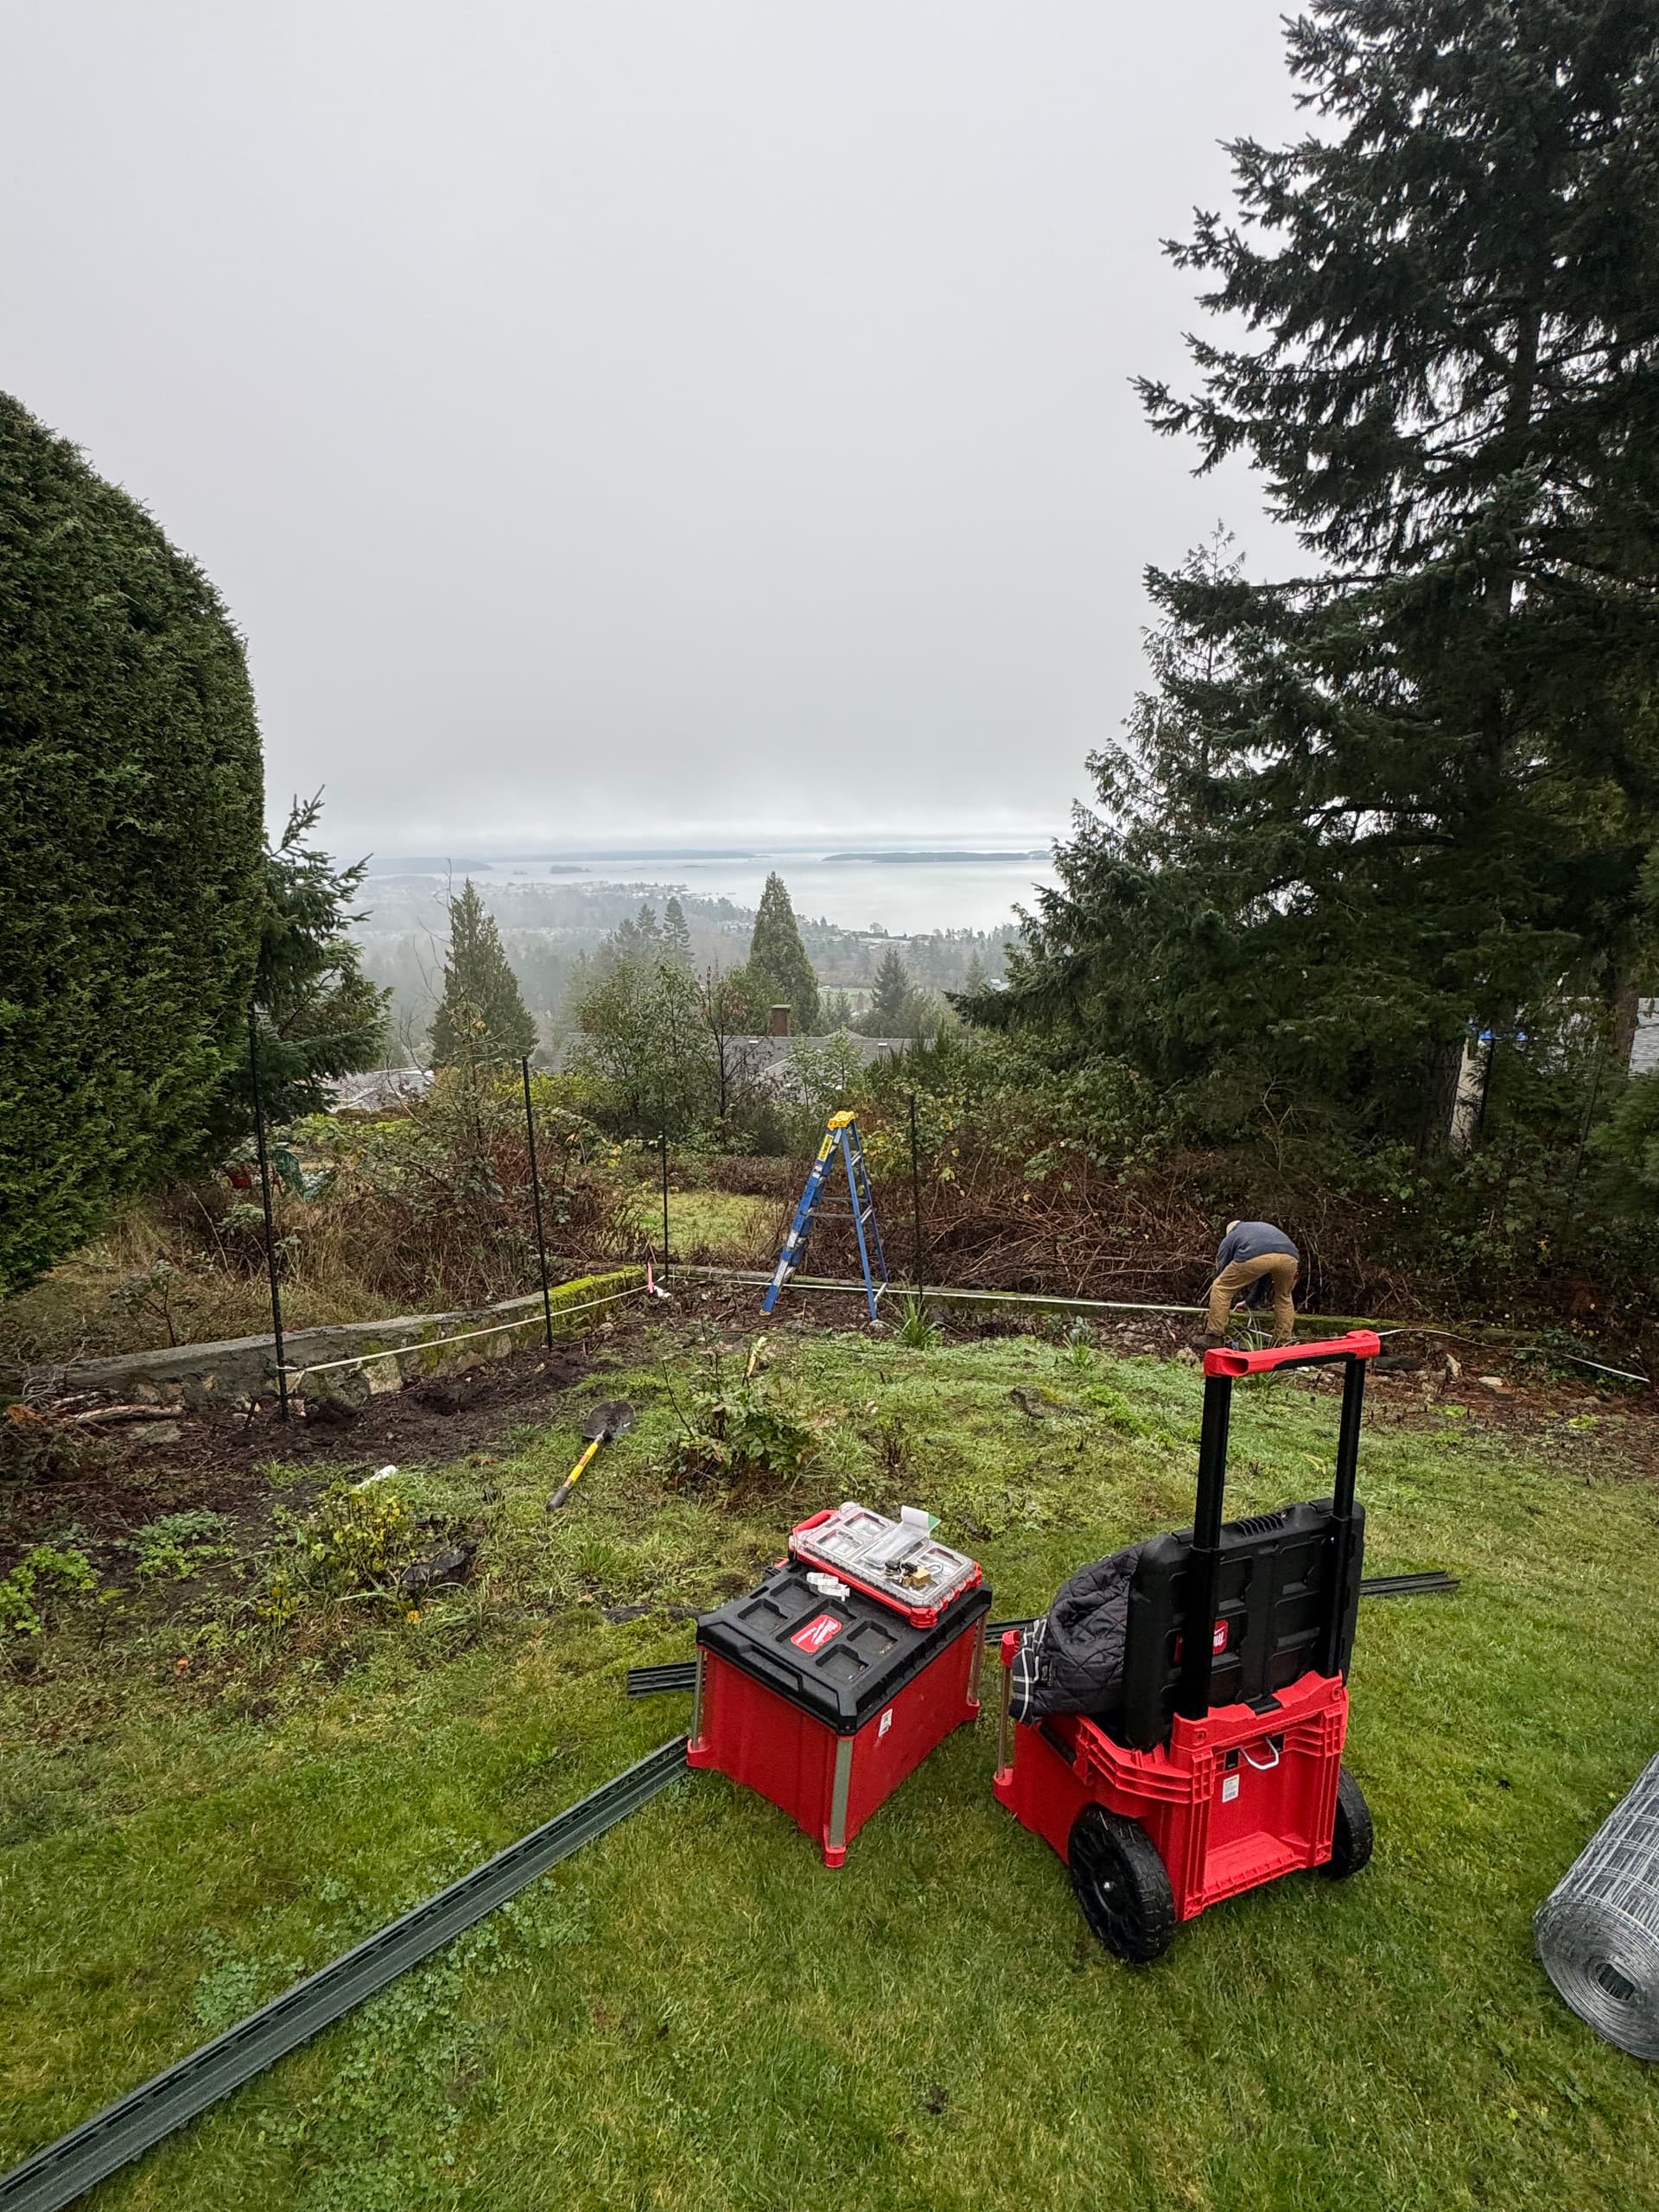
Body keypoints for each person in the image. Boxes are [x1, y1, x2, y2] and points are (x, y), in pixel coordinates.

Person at [1199, 1218, 1300, 1348]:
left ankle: (1213, 1337)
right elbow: (1264, 1278)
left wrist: (1216, 1306)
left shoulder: (1231, 1236)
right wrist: (1249, 1303)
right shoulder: (1259, 1228)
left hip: (1256, 1254)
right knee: (1284, 1297)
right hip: (1290, 1258)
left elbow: (1222, 1271)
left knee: (1221, 1288)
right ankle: (1282, 1341)